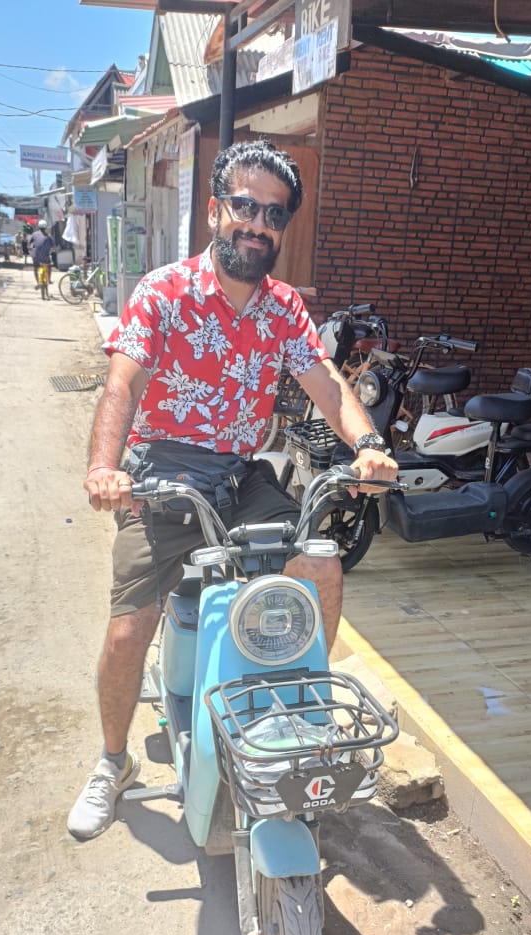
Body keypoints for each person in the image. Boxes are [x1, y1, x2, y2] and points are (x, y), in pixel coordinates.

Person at [67, 139, 398, 841]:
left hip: (242, 473)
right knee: (130, 629)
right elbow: (122, 382)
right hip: (161, 469)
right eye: (243, 206)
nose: (257, 223)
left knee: (320, 564)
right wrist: (105, 467)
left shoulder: (283, 310)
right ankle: (113, 760)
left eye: (272, 214)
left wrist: (367, 445)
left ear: (282, 228)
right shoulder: (165, 290)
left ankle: (300, 718)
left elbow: (326, 386)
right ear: (215, 211)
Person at [28, 220, 55, 288]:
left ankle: (38, 282)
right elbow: (53, 247)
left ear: (38, 227)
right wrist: (53, 250)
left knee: (35, 268)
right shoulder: (49, 236)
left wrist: (30, 249)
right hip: (45, 257)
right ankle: (49, 280)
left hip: (35, 256)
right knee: (49, 266)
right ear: (45, 227)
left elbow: (29, 244)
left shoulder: (34, 234)